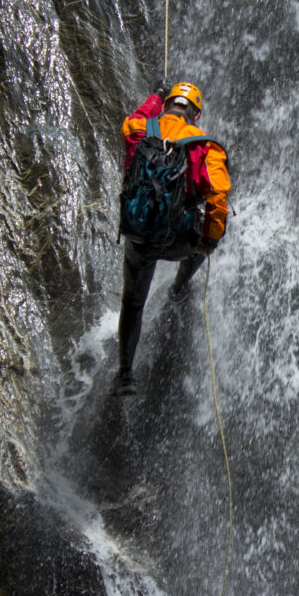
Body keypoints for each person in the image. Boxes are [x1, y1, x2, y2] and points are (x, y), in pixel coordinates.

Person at [111, 81, 231, 396]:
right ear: (197, 114)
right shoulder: (206, 147)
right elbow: (218, 198)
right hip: (179, 239)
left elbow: (134, 118)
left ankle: (125, 375)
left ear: (166, 106)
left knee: (133, 302)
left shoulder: (139, 128)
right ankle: (179, 286)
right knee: (202, 243)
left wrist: (156, 95)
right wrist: (210, 241)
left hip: (140, 237)